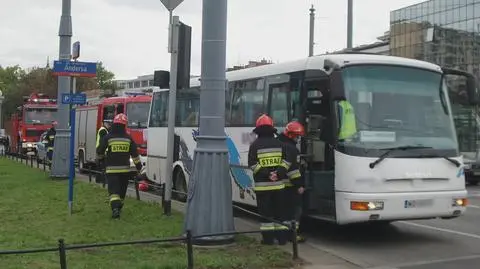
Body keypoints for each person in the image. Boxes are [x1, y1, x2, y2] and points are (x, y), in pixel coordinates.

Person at [248, 114, 291, 245]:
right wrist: (277, 173)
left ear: (258, 130)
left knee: (266, 216)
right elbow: (287, 162)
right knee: (280, 214)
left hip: (263, 188)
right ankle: (282, 239)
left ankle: (268, 240)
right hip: (279, 186)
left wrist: (268, 174)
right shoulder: (280, 144)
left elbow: (253, 164)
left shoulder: (255, 145)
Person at [96, 113, 142, 219]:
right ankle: (118, 206)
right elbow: (135, 155)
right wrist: (139, 167)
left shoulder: (108, 137)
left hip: (111, 170)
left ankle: (115, 209)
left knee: (113, 192)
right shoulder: (128, 138)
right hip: (124, 171)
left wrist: (102, 160)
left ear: (114, 124)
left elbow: (100, 151)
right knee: (121, 191)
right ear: (124, 125)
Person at [277, 121, 306, 243]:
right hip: (291, 186)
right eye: (297, 136)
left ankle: (282, 235)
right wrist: (299, 185)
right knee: (295, 211)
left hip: (279, 185)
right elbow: (293, 170)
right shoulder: (292, 149)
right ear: (291, 135)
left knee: (282, 212)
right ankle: (293, 235)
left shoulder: (278, 144)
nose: (298, 139)